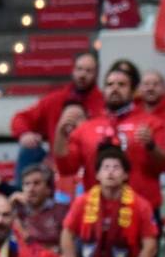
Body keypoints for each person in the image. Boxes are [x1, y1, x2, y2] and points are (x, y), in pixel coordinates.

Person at [55, 64, 165, 214]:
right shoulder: (86, 128)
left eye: (122, 84)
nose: (115, 88)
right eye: (110, 84)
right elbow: (66, 168)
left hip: (143, 212)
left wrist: (151, 146)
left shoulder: (152, 124)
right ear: (103, 91)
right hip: (97, 212)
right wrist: (60, 133)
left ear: (133, 91)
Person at [9, 51, 101, 184]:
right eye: (79, 69)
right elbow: (20, 118)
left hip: (91, 165)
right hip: (58, 165)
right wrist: (24, 134)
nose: (82, 75)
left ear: (97, 74)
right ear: (72, 71)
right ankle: (22, 199)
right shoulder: (54, 100)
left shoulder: (104, 103)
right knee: (27, 151)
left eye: (88, 71)